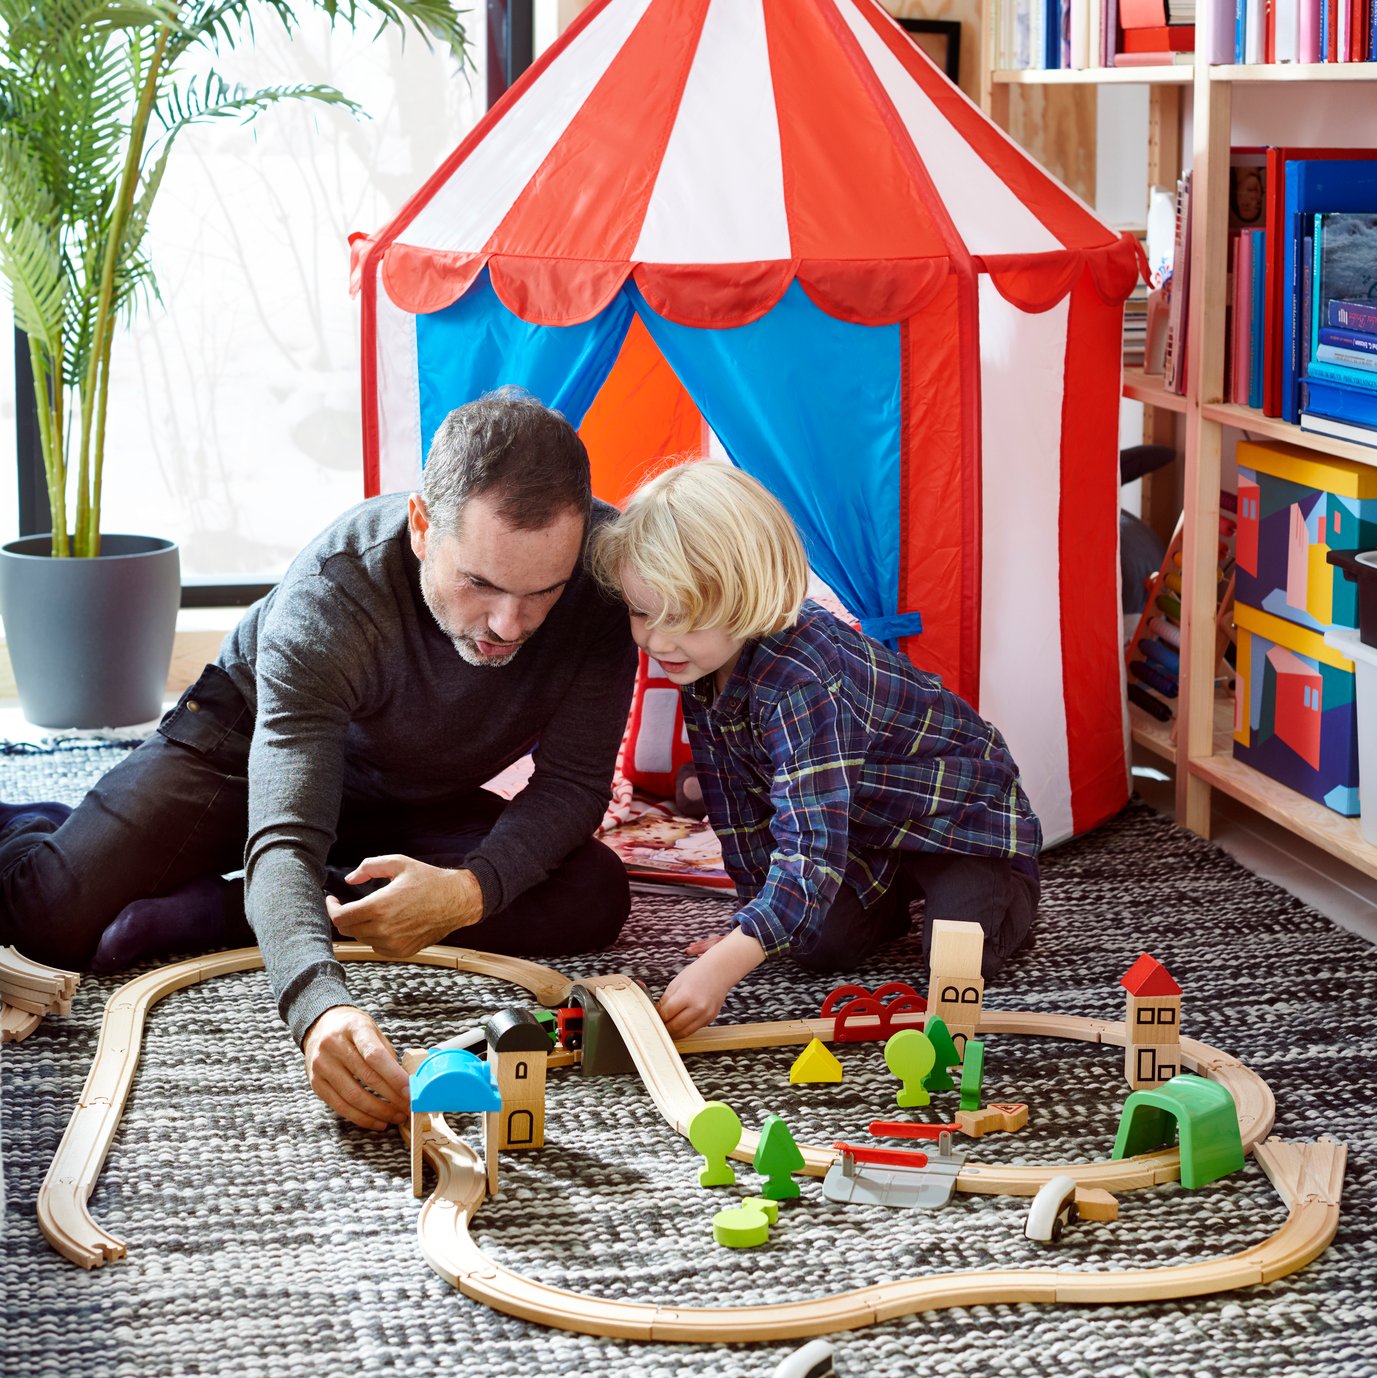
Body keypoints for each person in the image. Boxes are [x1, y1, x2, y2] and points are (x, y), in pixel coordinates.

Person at [0, 390, 636, 1128]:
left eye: (542, 593)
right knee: (49, 923)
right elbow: (287, 831)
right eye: (482, 583)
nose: (508, 624)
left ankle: (228, 908)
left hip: (415, 790)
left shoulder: (603, 574)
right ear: (423, 526)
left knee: (593, 893)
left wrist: (467, 893)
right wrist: (318, 1004)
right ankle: (46, 826)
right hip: (242, 753)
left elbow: (574, 783)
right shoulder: (332, 591)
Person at [590, 460, 1041, 1040]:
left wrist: (725, 965)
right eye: (641, 612)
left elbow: (806, 854)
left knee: (956, 957)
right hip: (864, 830)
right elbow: (736, 807)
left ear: (746, 595)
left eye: (684, 617)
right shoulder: (701, 662)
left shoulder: (805, 678)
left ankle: (1009, 886)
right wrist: (745, 931)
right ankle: (894, 887)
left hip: (960, 821)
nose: (658, 639)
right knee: (812, 945)